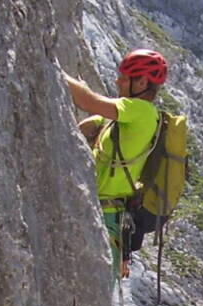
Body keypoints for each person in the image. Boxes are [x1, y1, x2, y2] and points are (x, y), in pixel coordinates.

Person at [62, 49, 168, 278]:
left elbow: (87, 101)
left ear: (141, 82)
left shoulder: (140, 111)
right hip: (104, 211)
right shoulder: (124, 116)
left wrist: (51, 66)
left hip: (108, 215)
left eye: (125, 77)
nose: (118, 80)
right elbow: (95, 121)